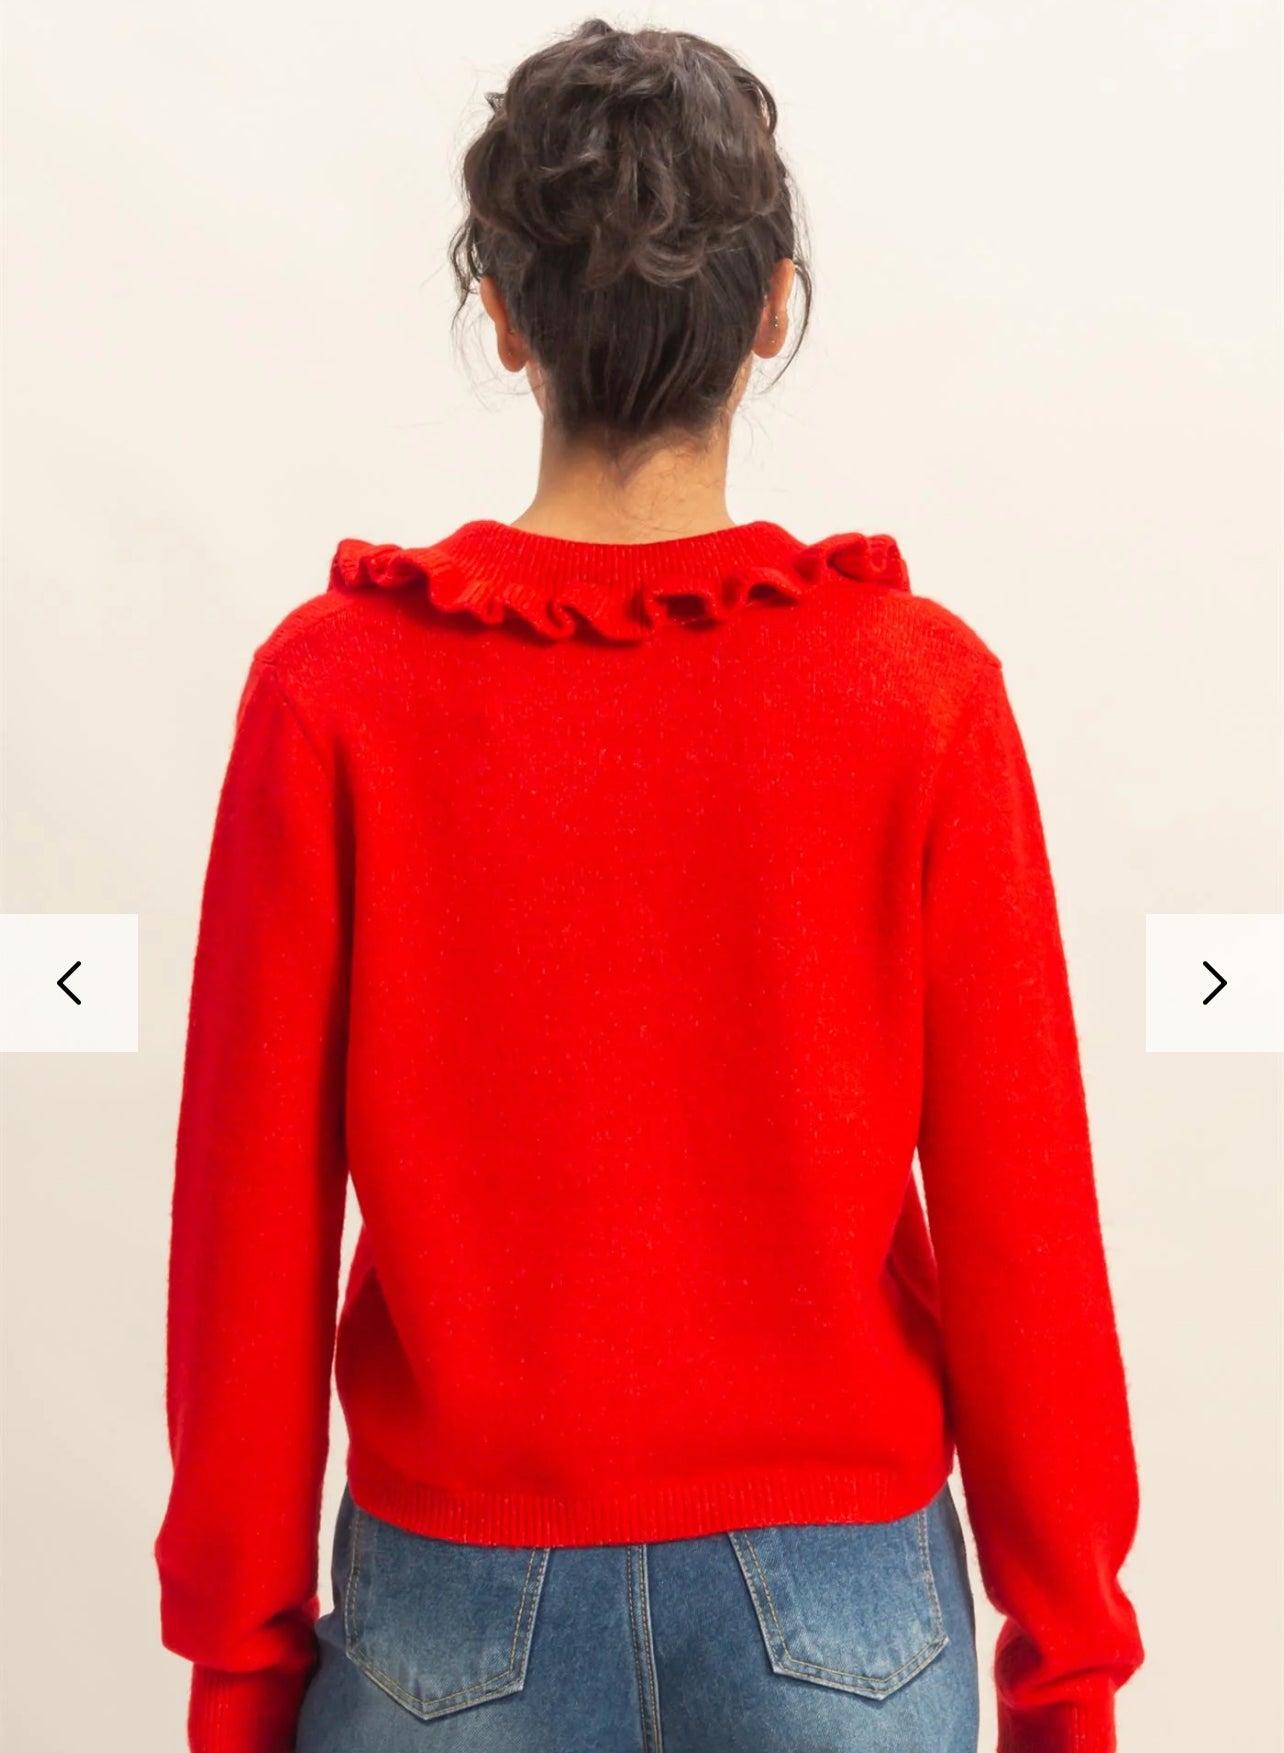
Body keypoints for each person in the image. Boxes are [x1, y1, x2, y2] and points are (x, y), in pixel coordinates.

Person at [153, 18, 1144, 1753]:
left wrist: (241, 1672)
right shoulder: (919, 693)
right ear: (772, 315)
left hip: (453, 1607)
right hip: (845, 1607)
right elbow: (1024, 1221)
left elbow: (249, 1220)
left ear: (503, 317)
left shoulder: (333, 693)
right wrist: (1067, 1668)